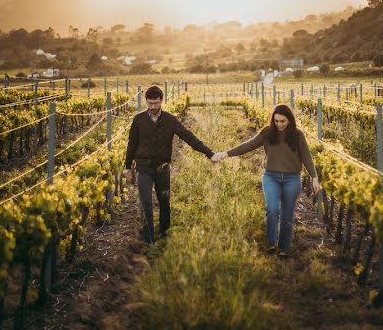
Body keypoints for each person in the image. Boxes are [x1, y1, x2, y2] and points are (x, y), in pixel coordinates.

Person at [211, 104, 320, 257]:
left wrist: (314, 177)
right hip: (271, 177)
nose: (279, 124)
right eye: (276, 121)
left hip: (292, 179)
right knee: (272, 209)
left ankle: (284, 247)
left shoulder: (298, 135)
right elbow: (247, 146)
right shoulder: (267, 133)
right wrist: (225, 154)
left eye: (283, 121)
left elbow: (307, 157)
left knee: (287, 215)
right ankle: (271, 243)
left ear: (289, 119)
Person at [124, 85, 216, 243]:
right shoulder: (138, 119)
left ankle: (165, 234)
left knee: (164, 201)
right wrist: (127, 166)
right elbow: (132, 143)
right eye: (150, 103)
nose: (153, 107)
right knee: (145, 202)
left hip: (162, 167)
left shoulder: (170, 120)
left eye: (156, 103)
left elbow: (189, 137)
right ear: (146, 101)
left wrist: (209, 153)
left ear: (161, 101)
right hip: (143, 166)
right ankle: (149, 240)